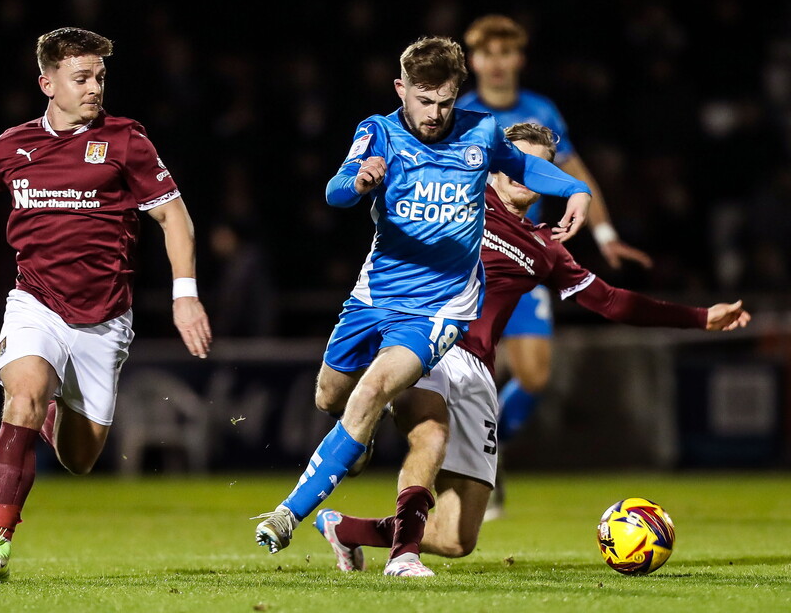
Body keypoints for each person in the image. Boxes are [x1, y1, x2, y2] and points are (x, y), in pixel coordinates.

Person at [312, 123, 751, 574]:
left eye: (538, 165)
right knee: (430, 438)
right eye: (516, 160)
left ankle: (346, 528)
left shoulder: (546, 248)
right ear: (496, 165)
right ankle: (402, 557)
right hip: (428, 345)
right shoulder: (459, 201)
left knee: (456, 538)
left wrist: (699, 317)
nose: (524, 171)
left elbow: (612, 302)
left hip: (478, 370)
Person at [253, 36, 592, 576]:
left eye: (444, 102)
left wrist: (577, 188)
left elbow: (526, 170)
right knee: (329, 397)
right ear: (401, 89)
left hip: (439, 309)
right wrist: (358, 181)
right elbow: (335, 191)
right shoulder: (378, 131)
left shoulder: (481, 130)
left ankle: (287, 515)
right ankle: (354, 445)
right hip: (372, 297)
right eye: (424, 100)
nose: (434, 114)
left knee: (373, 392)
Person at [0, 27, 212, 584]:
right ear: (47, 83)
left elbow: (173, 217)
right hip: (35, 303)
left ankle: (57, 411)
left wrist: (186, 295)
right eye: (80, 78)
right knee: (24, 396)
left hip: (105, 318)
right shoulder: (13, 146)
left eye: (100, 78)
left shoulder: (127, 140)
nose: (93, 88)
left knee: (80, 459)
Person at [457, 14, 654, 517]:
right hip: (470, 263)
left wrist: (605, 233)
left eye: (507, 52)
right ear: (474, 61)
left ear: (519, 59)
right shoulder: (461, 114)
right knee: (461, 371)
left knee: (536, 375)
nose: (497, 63)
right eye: (488, 53)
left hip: (525, 260)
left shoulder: (541, 111)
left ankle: (487, 451)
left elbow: (574, 171)